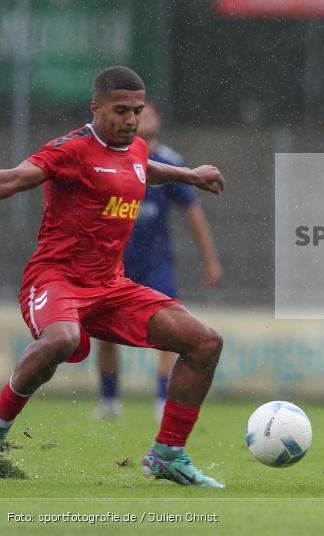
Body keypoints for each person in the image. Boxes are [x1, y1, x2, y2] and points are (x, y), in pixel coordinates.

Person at [0, 67, 227, 488]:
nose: (132, 120)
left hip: (110, 287)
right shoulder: (70, 149)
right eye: (121, 110)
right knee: (62, 339)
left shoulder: (134, 148)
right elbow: (12, 179)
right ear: (95, 107)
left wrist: (190, 175)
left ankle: (167, 455)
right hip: (54, 278)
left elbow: (142, 167)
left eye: (137, 110)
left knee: (205, 342)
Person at [95, 102, 223, 422]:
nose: (139, 118)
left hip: (156, 264)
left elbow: (193, 212)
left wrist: (210, 259)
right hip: (115, 262)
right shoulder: (111, 159)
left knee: (169, 334)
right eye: (134, 112)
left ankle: (163, 400)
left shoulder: (171, 163)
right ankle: (109, 401)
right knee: (106, 334)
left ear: (157, 121)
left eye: (146, 112)